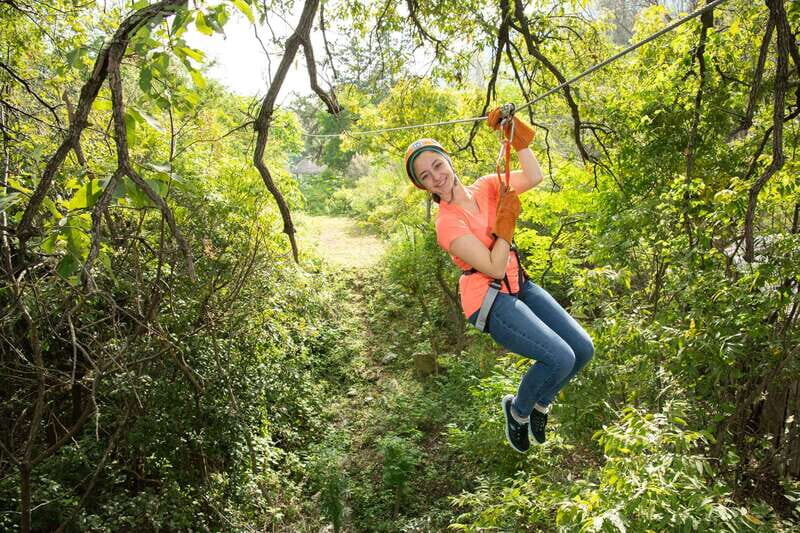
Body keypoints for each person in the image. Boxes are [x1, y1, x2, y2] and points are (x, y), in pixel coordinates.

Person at [403, 108, 594, 452]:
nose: (436, 176)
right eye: (426, 175)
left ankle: (540, 403)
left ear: (449, 162)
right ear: (422, 186)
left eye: (437, 165)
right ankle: (518, 410)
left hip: (518, 284)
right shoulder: (447, 223)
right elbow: (492, 266)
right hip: (488, 299)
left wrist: (515, 136)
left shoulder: (489, 185)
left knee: (582, 350)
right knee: (560, 357)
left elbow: (533, 176)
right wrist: (506, 224)